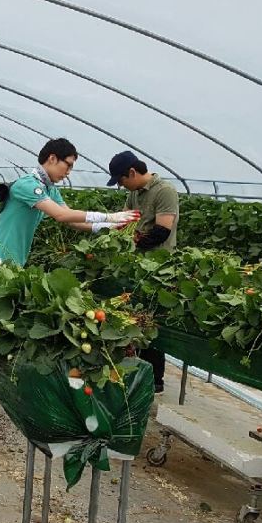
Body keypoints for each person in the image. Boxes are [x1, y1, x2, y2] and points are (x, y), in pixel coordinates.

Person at [0, 138, 139, 267]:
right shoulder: (27, 185)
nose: (68, 172)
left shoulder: (50, 189)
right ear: (52, 158)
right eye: (68, 165)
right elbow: (61, 215)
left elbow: (72, 221)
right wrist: (110, 216)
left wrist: (111, 226)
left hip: (17, 258)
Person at [108, 149, 180, 392]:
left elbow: (162, 231)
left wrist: (135, 240)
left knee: (151, 321)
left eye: (121, 180)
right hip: (135, 265)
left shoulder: (164, 191)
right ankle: (133, 368)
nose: (121, 185)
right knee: (133, 317)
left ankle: (155, 380)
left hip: (159, 267)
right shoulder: (135, 193)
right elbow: (128, 221)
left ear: (132, 172)